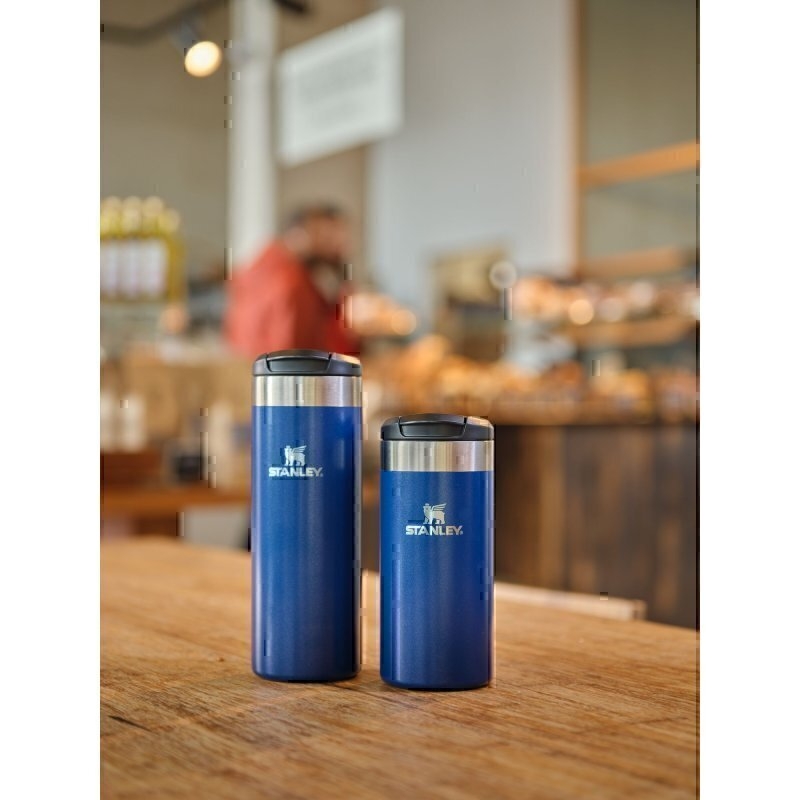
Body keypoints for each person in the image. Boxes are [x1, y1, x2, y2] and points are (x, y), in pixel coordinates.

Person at [224, 204, 360, 358]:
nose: (338, 247)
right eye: (326, 237)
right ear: (297, 234)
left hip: (248, 366)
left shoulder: (261, 263)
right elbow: (290, 352)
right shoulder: (291, 282)